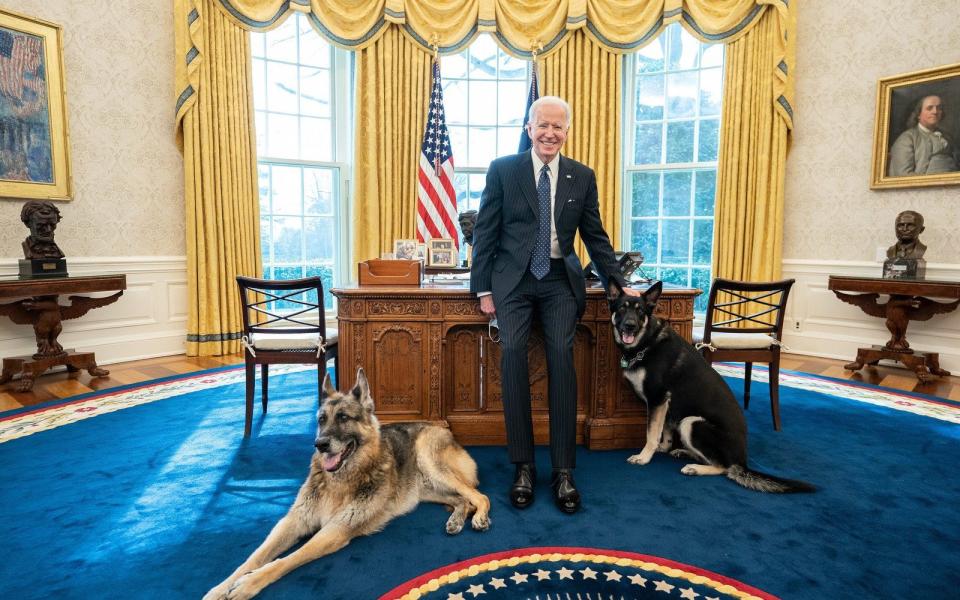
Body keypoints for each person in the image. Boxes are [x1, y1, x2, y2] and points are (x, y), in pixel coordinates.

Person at [470, 96, 639, 514]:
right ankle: (523, 466)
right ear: (529, 128)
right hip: (513, 282)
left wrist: (619, 281)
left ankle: (563, 470)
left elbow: (595, 237)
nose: (549, 133)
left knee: (562, 357)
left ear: (566, 132)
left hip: (561, 282)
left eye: (557, 127)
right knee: (511, 355)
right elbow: (486, 233)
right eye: (542, 125)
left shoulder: (581, 176)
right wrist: (483, 290)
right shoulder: (503, 171)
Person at [887, 94, 960, 176]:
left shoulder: (947, 136)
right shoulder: (907, 138)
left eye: (939, 108)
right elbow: (903, 175)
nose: (935, 111)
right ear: (918, 114)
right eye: (929, 108)